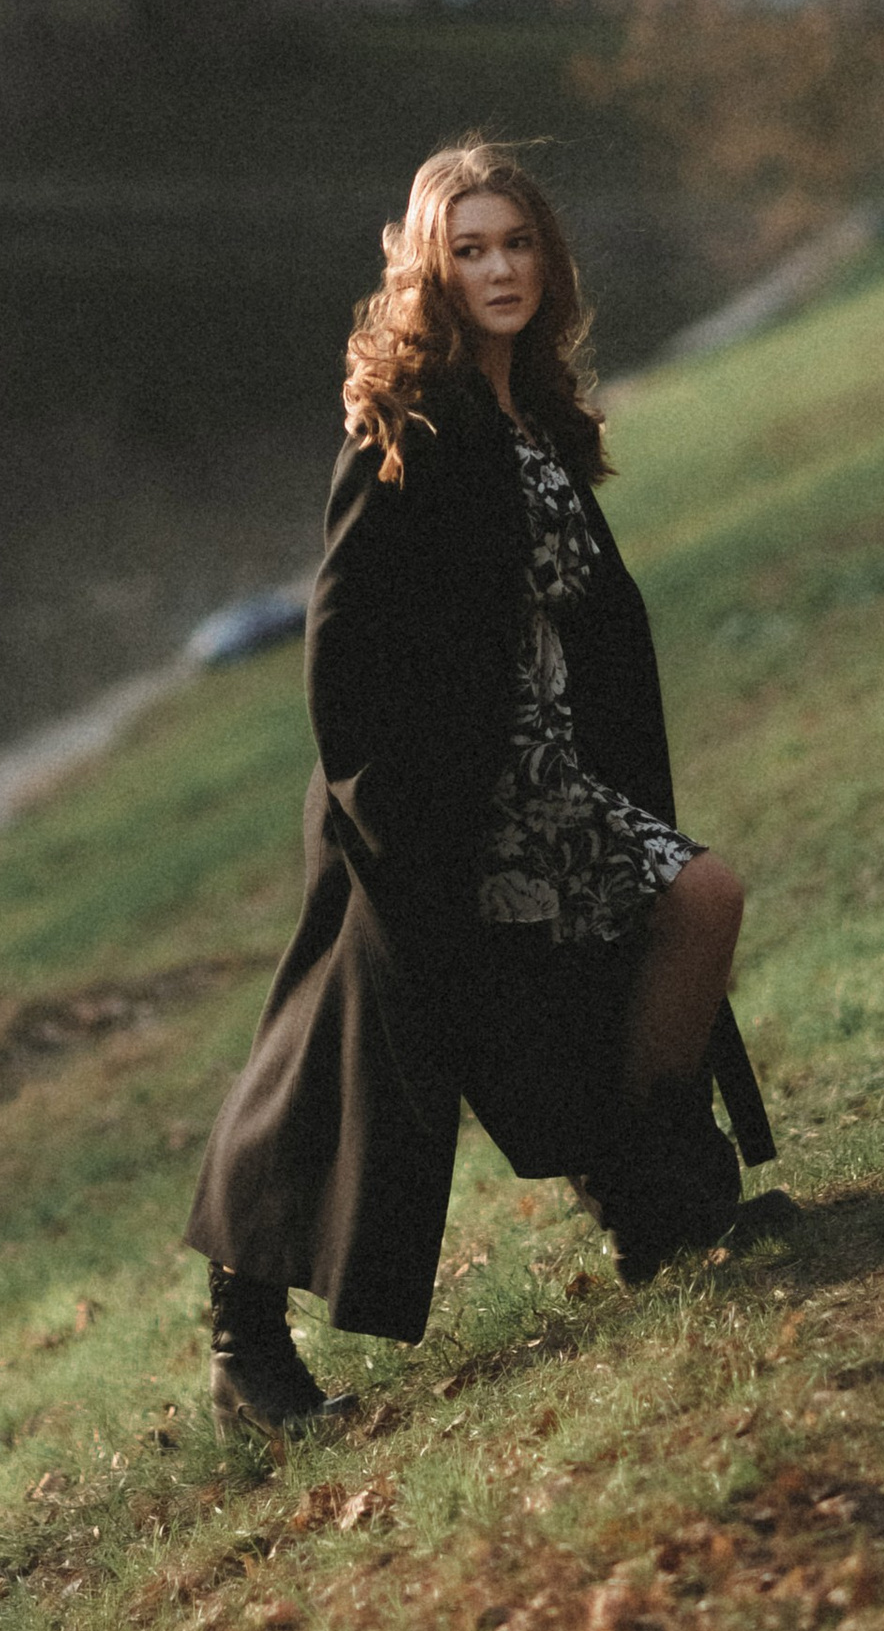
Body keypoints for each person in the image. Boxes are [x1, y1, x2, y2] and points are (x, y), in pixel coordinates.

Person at [184, 135, 777, 1433]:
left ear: (546, 261)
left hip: (552, 792)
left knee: (692, 909)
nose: (499, 269)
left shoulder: (536, 413)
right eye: (470, 251)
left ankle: (655, 1203)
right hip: (423, 808)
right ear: (430, 270)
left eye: (517, 245)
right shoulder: (411, 424)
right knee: (338, 1069)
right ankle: (244, 1349)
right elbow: (342, 641)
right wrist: (386, 821)